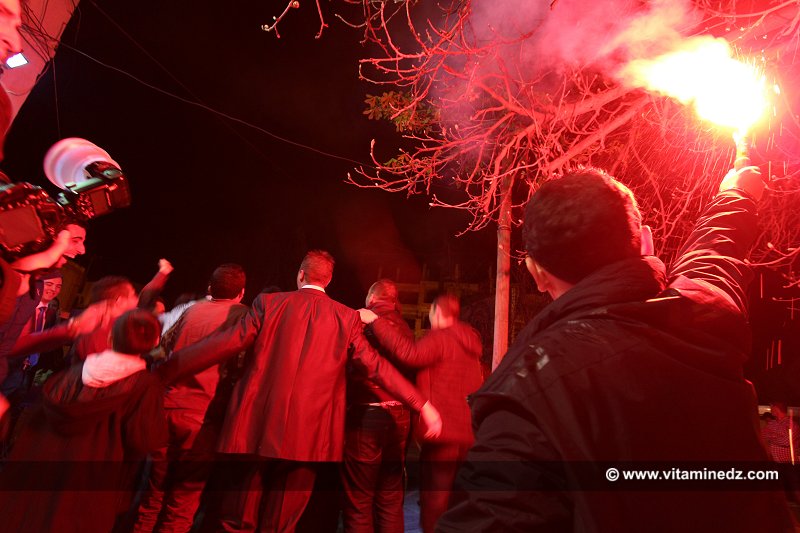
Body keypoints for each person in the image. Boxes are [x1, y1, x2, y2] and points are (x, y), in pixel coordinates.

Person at [437, 166, 796, 532]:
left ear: (537, 273)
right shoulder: (704, 313)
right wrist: (738, 193)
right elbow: (716, 249)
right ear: (644, 241)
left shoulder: (523, 396)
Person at [158, 250, 442, 533]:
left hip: (255, 428)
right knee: (281, 525)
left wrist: (167, 369)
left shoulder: (268, 303)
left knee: (236, 520)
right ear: (328, 281)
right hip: (309, 436)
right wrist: (422, 405)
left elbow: (224, 343)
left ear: (301, 274)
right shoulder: (345, 317)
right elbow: (377, 367)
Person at [0, 309, 168, 533]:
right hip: (92, 484)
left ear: (111, 337)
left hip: (43, 475)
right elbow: (143, 439)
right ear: (154, 343)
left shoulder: (73, 373)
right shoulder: (144, 385)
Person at [134, 264, 249, 533]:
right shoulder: (241, 316)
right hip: (202, 417)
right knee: (182, 503)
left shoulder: (192, 309)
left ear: (211, 287)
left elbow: (161, 349)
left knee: (152, 495)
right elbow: (241, 364)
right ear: (241, 293)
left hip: (167, 407)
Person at [360, 292, 483, 533]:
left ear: (436, 313)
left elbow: (409, 354)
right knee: (456, 500)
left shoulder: (441, 338)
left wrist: (376, 321)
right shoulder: (470, 344)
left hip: (442, 433)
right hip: (466, 434)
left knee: (434, 501)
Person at [341, 279, 415, 533]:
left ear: (371, 298)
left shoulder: (362, 323)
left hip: (366, 414)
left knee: (359, 499)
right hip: (399, 417)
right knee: (391, 497)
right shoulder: (405, 328)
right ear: (394, 300)